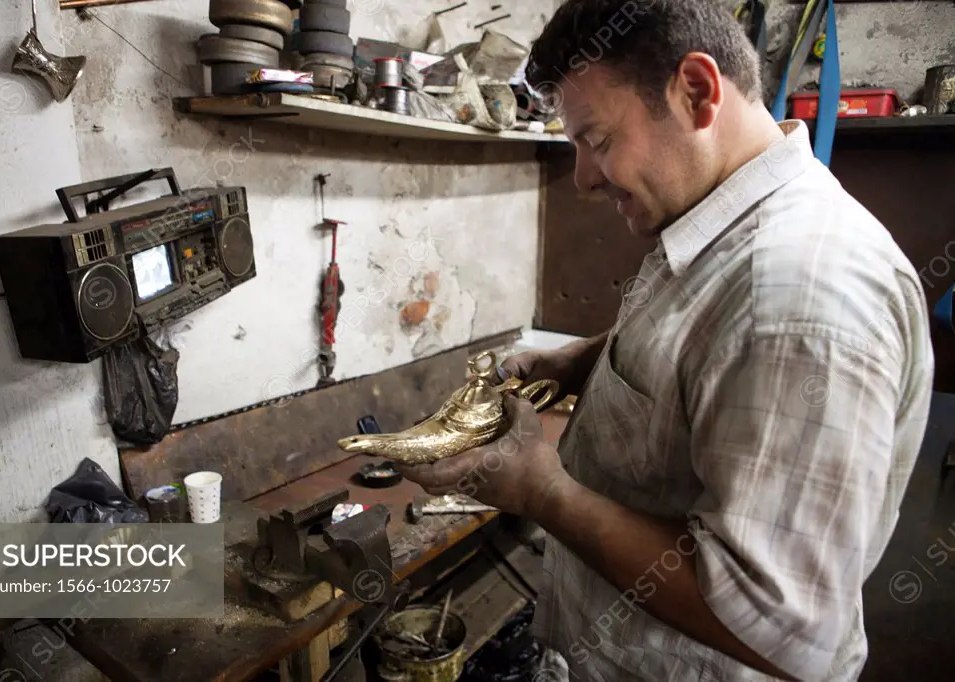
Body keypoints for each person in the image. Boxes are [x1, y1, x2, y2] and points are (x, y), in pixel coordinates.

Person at [395, 1, 935, 680]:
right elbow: (701, 337)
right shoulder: (718, 219)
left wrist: (542, 493)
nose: (586, 178)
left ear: (697, 93)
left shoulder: (801, 298)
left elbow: (784, 628)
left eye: (596, 140)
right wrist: (584, 361)